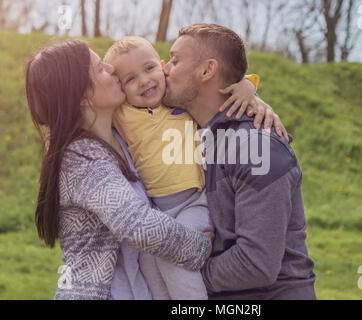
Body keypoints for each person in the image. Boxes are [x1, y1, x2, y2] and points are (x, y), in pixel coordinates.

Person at [25, 40, 212, 300]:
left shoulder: (122, 135)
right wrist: (203, 247)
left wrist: (246, 92)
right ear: (82, 96)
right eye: (101, 69)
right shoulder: (80, 159)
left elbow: (190, 89)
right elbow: (137, 226)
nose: (112, 71)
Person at [102, 36, 264, 300]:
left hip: (195, 203)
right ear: (121, 88)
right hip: (158, 212)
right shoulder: (122, 114)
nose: (144, 81)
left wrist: (248, 87)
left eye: (149, 68)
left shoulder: (176, 99)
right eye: (130, 79)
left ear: (164, 67)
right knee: (149, 266)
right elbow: (92, 98)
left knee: (174, 260)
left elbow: (229, 87)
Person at [162, 23, 317, 300]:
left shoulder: (260, 146)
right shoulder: (192, 133)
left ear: (207, 70)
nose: (164, 68)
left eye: (175, 60)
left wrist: (180, 277)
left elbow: (255, 264)